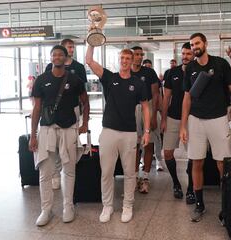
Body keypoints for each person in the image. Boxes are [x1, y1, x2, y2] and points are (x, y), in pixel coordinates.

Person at [180, 33, 231, 222]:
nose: (194, 47)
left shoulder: (220, 64)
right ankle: (199, 204)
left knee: (221, 164)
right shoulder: (190, 68)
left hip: (218, 119)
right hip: (196, 120)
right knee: (196, 162)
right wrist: (184, 126)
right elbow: (187, 98)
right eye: (192, 45)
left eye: (197, 43)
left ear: (205, 44)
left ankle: (227, 205)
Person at [86, 45, 150, 223]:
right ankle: (107, 206)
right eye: (122, 58)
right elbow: (89, 61)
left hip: (129, 133)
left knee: (130, 173)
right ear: (119, 60)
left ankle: (127, 205)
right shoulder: (109, 77)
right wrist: (91, 42)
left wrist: (146, 131)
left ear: (132, 61)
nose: (124, 61)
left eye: (128, 59)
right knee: (107, 172)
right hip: (109, 132)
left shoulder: (138, 83)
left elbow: (145, 106)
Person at [29, 45, 90, 226]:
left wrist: (85, 123)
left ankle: (68, 206)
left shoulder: (75, 79)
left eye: (60, 54)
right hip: (47, 129)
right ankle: (46, 210)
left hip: (68, 128)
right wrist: (33, 135)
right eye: (54, 54)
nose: (57, 57)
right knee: (45, 173)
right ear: (51, 58)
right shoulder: (41, 80)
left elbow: (85, 103)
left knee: (69, 170)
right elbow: (36, 108)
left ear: (65, 57)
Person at [45, 38, 88, 190]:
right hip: (54, 112)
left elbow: (83, 92)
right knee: (54, 144)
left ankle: (68, 171)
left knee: (70, 142)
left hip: (73, 110)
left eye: (73, 47)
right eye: (69, 47)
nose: (72, 49)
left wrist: (84, 118)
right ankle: (56, 173)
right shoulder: (50, 67)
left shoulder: (79, 67)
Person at [160, 42, 195, 204]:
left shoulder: (198, 71)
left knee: (194, 155)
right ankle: (176, 183)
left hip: (193, 119)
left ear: (194, 54)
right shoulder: (172, 73)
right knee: (167, 153)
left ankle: (191, 188)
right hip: (173, 118)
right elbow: (166, 98)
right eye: (184, 53)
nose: (186, 56)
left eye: (189, 53)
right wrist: (164, 119)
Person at [131, 46, 160, 194]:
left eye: (141, 54)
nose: (139, 57)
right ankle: (135, 177)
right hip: (131, 108)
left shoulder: (149, 72)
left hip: (147, 107)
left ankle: (146, 178)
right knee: (134, 146)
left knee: (149, 145)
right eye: (136, 54)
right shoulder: (126, 72)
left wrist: (154, 115)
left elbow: (156, 94)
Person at [141, 57, 164, 171]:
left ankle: (159, 160)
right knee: (142, 139)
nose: (147, 68)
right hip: (140, 108)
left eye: (149, 66)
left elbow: (158, 94)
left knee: (156, 138)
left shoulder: (152, 76)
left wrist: (158, 112)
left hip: (152, 108)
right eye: (146, 66)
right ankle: (142, 159)